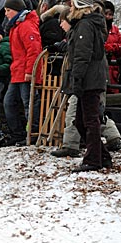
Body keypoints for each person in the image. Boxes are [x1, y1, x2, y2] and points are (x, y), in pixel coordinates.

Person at [62, 0, 111, 171]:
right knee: (83, 121)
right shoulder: (88, 24)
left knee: (89, 120)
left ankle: (93, 160)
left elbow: (82, 55)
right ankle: (101, 156)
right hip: (91, 78)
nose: (70, 9)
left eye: (73, 6)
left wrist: (77, 79)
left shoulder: (84, 25)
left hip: (89, 79)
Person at [3, 0, 43, 145]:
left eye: (8, 10)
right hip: (18, 72)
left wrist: (30, 71)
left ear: (16, 10)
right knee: (10, 102)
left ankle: (32, 133)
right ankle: (19, 133)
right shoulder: (18, 25)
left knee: (29, 103)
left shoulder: (25, 25)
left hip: (24, 72)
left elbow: (34, 50)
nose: (6, 14)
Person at [103, 1, 121, 94]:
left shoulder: (115, 30)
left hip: (113, 71)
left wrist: (111, 47)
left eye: (110, 14)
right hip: (101, 70)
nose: (108, 17)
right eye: (106, 14)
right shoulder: (97, 29)